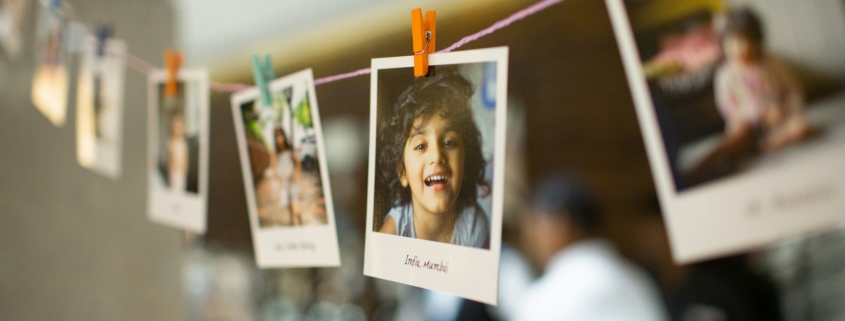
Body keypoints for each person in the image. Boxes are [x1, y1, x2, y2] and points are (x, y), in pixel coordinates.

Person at [514, 175, 667, 321]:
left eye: (535, 225)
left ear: (559, 224)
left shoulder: (548, 297)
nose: (530, 239)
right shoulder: (637, 280)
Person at [377, 68, 490, 249]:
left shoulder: (474, 225)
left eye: (448, 142)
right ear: (402, 172)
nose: (437, 156)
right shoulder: (393, 233)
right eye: (421, 146)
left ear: (465, 161)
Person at [714, 8, 810, 152]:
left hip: (777, 119)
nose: (738, 48)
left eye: (744, 41)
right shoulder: (725, 74)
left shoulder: (772, 64)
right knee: (736, 134)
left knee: (800, 127)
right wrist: (746, 115)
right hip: (746, 123)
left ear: (757, 41)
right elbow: (726, 105)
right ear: (723, 44)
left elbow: (793, 90)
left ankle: (768, 144)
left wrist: (786, 109)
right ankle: (745, 145)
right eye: (731, 43)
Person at [272, 126, 302, 225]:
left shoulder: (289, 151)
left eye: (280, 136)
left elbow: (297, 163)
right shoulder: (276, 154)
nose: (279, 139)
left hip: (292, 181)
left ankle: (300, 221)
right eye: (277, 136)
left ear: (284, 136)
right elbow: (274, 167)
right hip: (284, 183)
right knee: (288, 204)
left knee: (295, 205)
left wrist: (296, 173)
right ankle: (292, 223)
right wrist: (278, 178)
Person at [167, 113, 188, 192]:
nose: (178, 129)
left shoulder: (183, 143)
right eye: (176, 127)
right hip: (174, 172)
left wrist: (183, 168)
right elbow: (171, 159)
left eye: (179, 127)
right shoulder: (171, 142)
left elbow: (185, 157)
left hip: (182, 172)